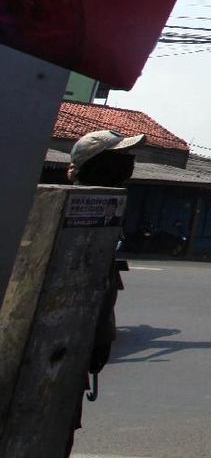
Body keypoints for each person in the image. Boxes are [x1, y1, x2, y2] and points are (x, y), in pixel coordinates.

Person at [65, 129, 144, 457]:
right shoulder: (67, 208)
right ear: (97, 164)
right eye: (119, 157)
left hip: (77, 351)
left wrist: (102, 336)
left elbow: (103, 287)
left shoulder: (108, 212)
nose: (128, 163)